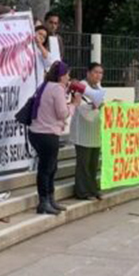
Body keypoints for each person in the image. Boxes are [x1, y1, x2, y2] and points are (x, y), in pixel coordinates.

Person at [29, 61, 81, 215]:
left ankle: (50, 199)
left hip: (36, 132)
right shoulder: (57, 89)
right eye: (67, 75)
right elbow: (62, 113)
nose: (69, 78)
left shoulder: (45, 85)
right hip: (47, 134)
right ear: (61, 76)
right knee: (47, 169)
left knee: (51, 167)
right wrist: (74, 104)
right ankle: (44, 201)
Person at [71, 62, 107, 199]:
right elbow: (81, 107)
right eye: (95, 72)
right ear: (88, 73)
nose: (98, 75)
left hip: (95, 132)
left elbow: (100, 104)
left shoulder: (99, 87)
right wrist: (97, 107)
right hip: (83, 132)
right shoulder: (80, 86)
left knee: (93, 164)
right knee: (83, 164)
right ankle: (82, 192)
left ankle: (93, 189)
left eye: (101, 73)